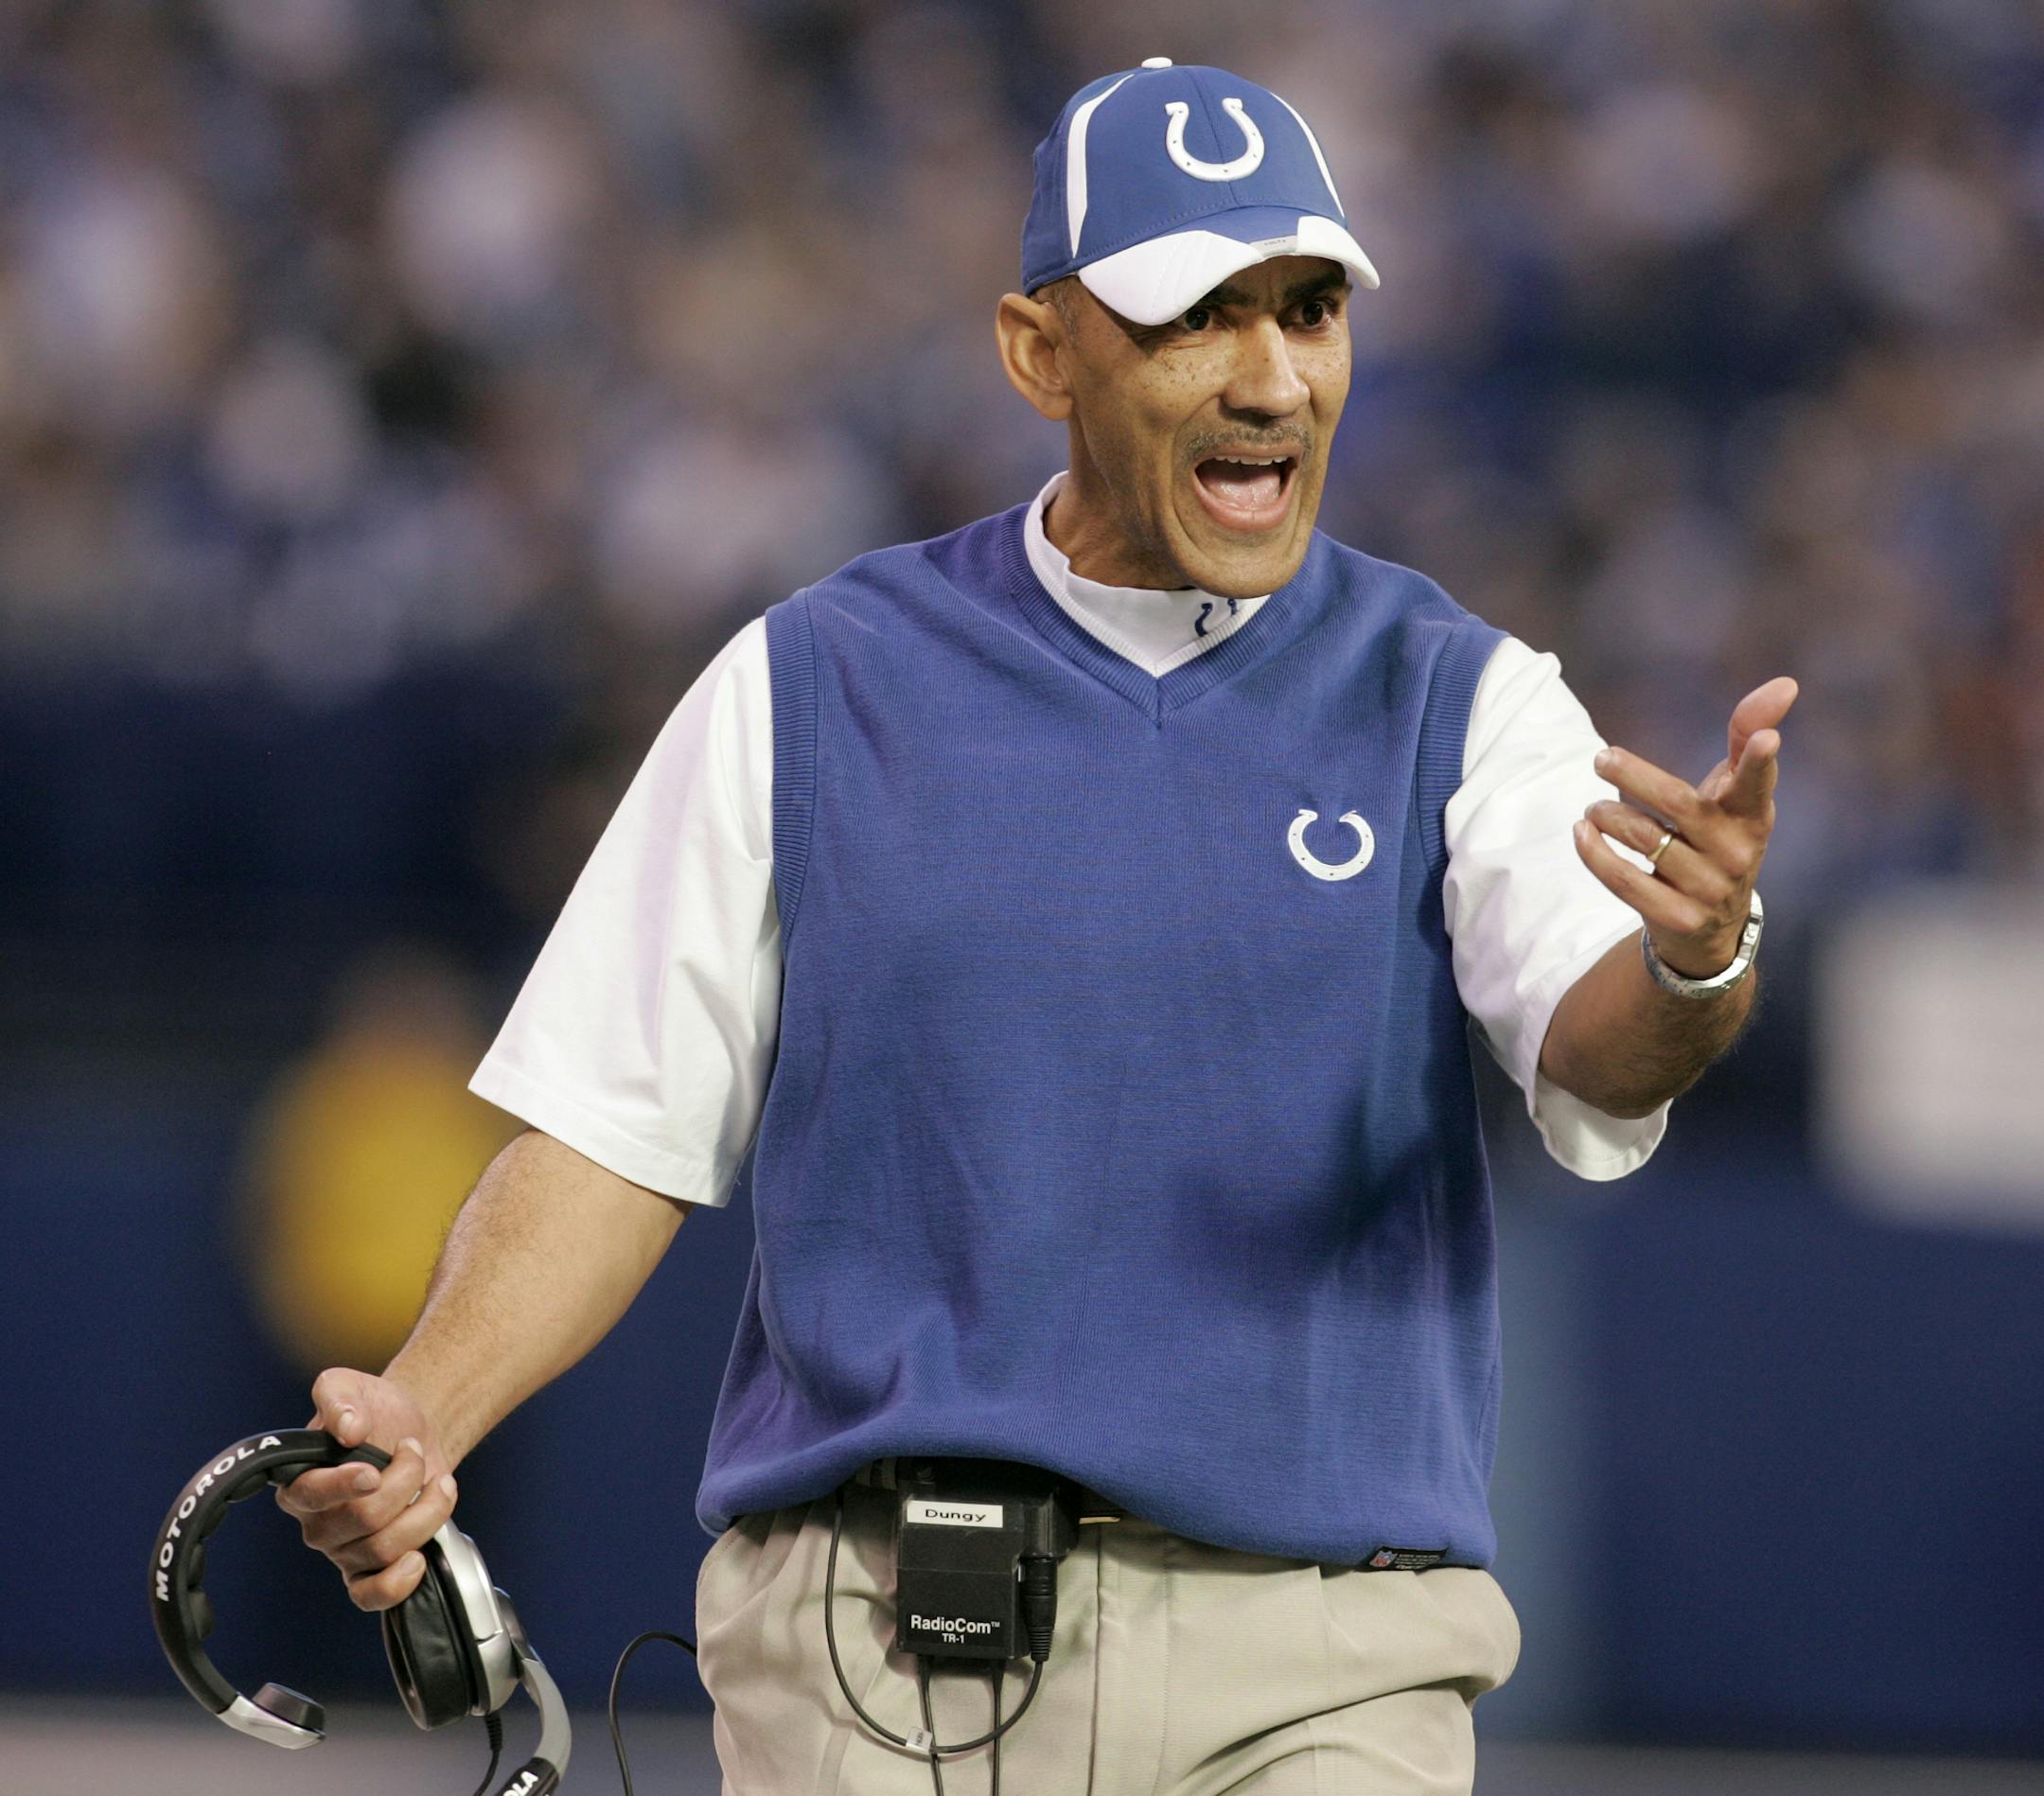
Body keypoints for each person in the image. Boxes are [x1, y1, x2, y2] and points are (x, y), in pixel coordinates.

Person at [276, 60, 1793, 1795]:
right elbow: (615, 1132)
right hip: (877, 1663)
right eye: (1196, 317)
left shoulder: (1463, 697)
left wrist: (1696, 959)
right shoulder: (816, 682)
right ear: (1037, 352)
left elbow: (1591, 1043)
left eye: (1309, 308)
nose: (1274, 376)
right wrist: (429, 1403)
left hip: (1317, 1666)